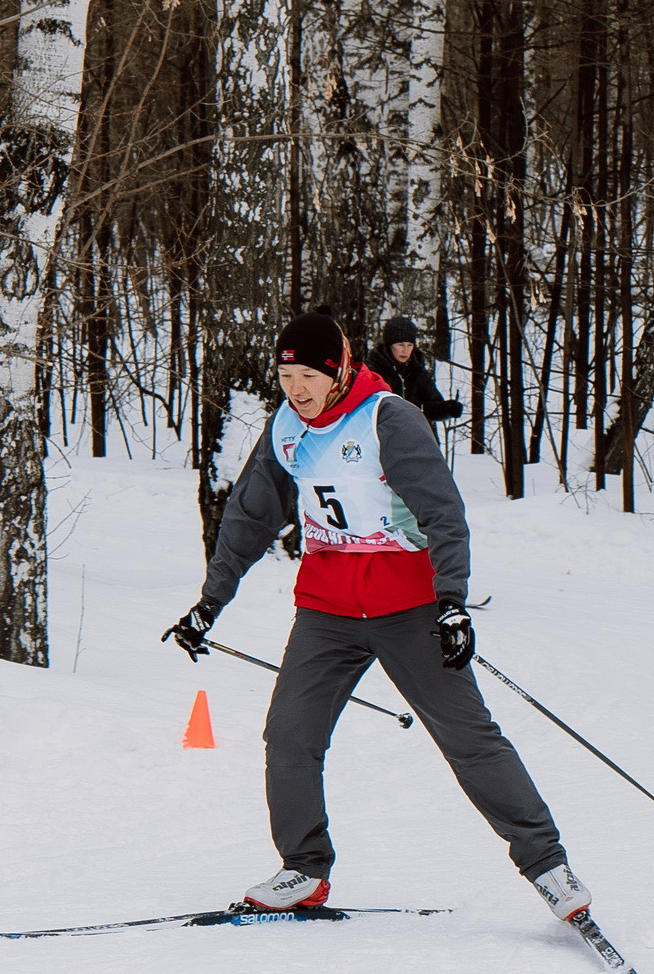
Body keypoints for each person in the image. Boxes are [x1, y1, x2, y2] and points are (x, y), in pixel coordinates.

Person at [160, 311, 594, 925]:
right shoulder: (286, 428)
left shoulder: (389, 418)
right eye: (288, 378)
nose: (298, 391)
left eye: (310, 376)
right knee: (290, 735)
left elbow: (443, 513)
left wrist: (452, 603)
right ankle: (303, 869)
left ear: (337, 371)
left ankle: (549, 867)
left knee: (469, 740)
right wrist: (211, 602)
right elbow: (249, 518)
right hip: (327, 609)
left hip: (408, 606)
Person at [365, 317, 462, 423]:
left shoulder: (419, 373)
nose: (405, 350)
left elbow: (431, 407)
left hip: (411, 432)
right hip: (382, 432)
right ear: (389, 346)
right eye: (400, 345)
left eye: (409, 345)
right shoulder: (373, 372)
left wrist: (447, 409)